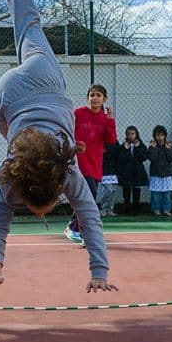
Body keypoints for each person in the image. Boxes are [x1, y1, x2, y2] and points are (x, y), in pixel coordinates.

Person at [0, 0, 116, 294]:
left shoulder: (62, 173)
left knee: (29, 24)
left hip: (42, 82)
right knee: (27, 27)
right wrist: (97, 272)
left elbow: (88, 218)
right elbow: (89, 219)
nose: (40, 214)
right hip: (8, 93)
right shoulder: (45, 175)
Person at [64, 84, 117, 241]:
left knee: (89, 198)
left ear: (105, 99)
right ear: (87, 98)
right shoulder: (78, 113)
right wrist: (75, 144)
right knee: (89, 196)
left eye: (98, 95)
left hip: (95, 164)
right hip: (78, 162)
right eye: (92, 95)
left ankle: (74, 227)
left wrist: (110, 120)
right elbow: (67, 131)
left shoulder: (105, 119)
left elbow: (111, 139)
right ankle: (77, 229)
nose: (94, 98)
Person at [115, 125, 149, 216]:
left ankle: (136, 209)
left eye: (133, 134)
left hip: (137, 172)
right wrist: (126, 149)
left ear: (136, 134)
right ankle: (127, 209)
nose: (131, 136)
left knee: (136, 191)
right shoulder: (124, 145)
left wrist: (137, 147)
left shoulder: (141, 144)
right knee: (126, 191)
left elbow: (144, 157)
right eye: (129, 134)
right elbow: (120, 158)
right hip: (126, 172)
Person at [145, 125, 172, 218]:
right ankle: (156, 210)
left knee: (167, 195)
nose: (159, 137)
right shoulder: (152, 147)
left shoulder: (169, 146)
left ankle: (166, 210)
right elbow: (152, 158)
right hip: (156, 174)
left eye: (162, 135)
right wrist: (154, 148)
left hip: (166, 175)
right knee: (156, 195)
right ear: (154, 136)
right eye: (157, 135)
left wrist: (168, 149)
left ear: (165, 136)